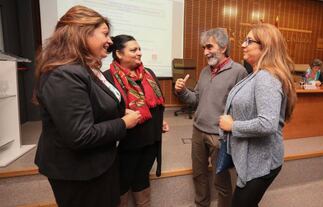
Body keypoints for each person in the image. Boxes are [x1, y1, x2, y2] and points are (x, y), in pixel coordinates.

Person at [34, 6, 141, 207]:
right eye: (105, 34)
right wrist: (123, 122)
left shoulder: (85, 68)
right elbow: (80, 135)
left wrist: (118, 111)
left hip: (98, 164)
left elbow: (94, 105)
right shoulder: (64, 74)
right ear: (82, 33)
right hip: (78, 173)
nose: (110, 41)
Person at [219, 23, 297, 207]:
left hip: (262, 161)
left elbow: (267, 124)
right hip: (252, 157)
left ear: (265, 47)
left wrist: (233, 126)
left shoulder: (265, 78)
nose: (243, 45)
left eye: (249, 41)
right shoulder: (257, 74)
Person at [175, 28, 247, 207]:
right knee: (199, 175)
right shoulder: (205, 71)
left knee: (221, 181)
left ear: (223, 47)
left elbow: (243, 108)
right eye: (203, 48)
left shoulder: (239, 71)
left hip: (219, 136)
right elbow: (195, 100)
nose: (205, 52)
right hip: (198, 131)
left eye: (209, 47)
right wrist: (182, 91)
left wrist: (231, 130)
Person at [104, 35, 169, 207]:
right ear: (118, 53)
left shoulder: (149, 74)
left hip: (151, 140)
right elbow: (105, 112)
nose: (139, 53)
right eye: (133, 50)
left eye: (139, 49)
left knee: (142, 177)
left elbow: (157, 105)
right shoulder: (107, 78)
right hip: (126, 143)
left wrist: (160, 121)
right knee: (122, 180)